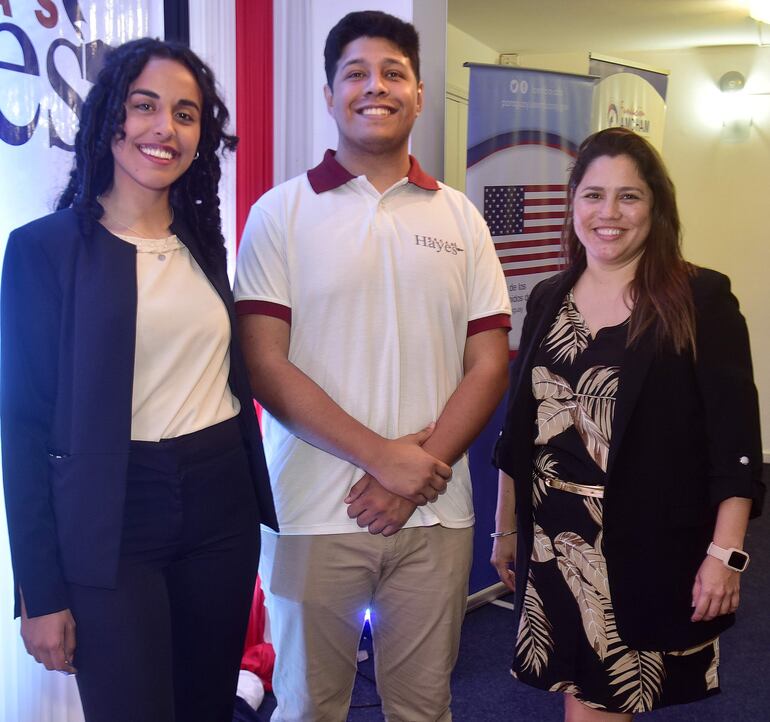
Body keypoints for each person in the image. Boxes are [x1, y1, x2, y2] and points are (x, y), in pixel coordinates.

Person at [234, 10, 511, 721]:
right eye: (354, 73)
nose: (374, 87)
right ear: (328, 95)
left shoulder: (461, 219)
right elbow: (264, 366)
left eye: (393, 73)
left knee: (424, 707)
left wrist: (414, 473)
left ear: (419, 94)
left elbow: (487, 366)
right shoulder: (280, 213)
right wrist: (387, 461)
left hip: (435, 512)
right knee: (308, 710)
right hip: (308, 514)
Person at [0, 38, 277, 722]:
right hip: (110, 517)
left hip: (221, 504)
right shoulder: (43, 250)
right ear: (108, 118)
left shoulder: (204, 240)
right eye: (145, 106)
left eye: (186, 114)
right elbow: (23, 426)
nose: (166, 128)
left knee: (205, 708)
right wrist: (39, 593)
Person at [491, 127, 764, 719]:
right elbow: (522, 429)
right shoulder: (548, 296)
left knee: (609, 693)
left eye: (628, 197)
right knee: (580, 691)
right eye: (593, 195)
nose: (608, 213)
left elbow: (735, 444)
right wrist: (506, 528)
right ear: (572, 204)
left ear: (656, 207)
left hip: (643, 540)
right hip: (552, 539)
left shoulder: (699, 298)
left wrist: (727, 553)